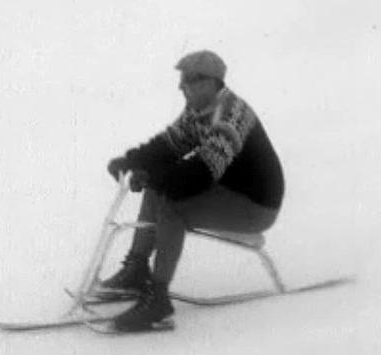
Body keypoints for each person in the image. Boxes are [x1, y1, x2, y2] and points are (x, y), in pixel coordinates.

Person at [103, 50, 285, 331]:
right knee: (158, 188)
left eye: (188, 80)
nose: (180, 86)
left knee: (171, 205)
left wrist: (155, 176)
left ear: (210, 82)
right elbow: (168, 145)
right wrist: (131, 161)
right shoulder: (199, 110)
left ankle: (158, 300)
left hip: (256, 206)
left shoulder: (230, 116)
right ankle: (137, 269)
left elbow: (201, 173)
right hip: (228, 190)